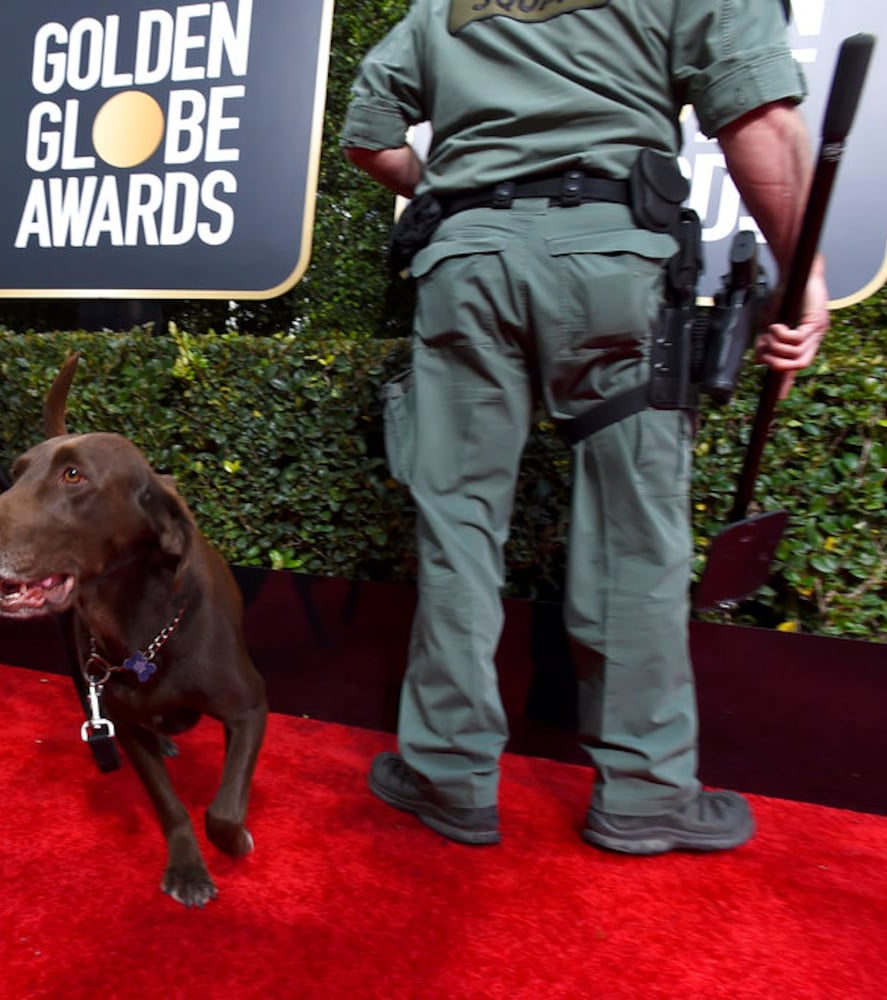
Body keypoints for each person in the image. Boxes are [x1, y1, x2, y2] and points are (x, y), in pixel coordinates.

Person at [341, 0, 828, 855]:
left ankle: (445, 773)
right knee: (635, 538)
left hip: (467, 264)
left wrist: (458, 197)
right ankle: (643, 791)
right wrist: (804, 280)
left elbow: (369, 135)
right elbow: (756, 118)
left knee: (456, 524)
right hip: (612, 259)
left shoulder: (438, 6)